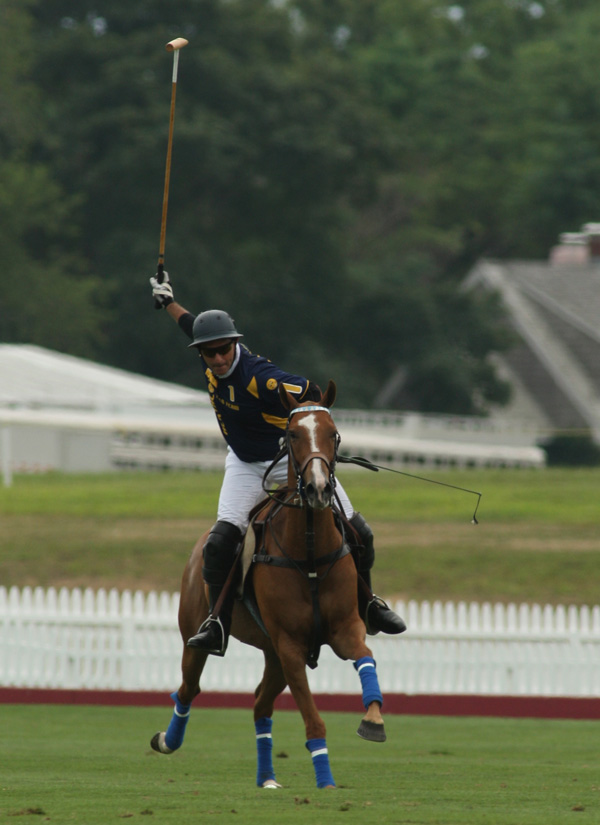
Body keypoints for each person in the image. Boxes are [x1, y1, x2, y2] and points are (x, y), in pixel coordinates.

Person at [151, 272, 405, 656]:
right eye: (209, 352)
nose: (218, 359)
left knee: (359, 531)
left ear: (235, 345)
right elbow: (191, 325)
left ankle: (368, 603)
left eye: (224, 350)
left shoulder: (261, 378)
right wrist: (168, 301)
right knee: (220, 542)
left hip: (292, 461)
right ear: (201, 351)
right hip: (243, 464)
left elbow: (312, 394)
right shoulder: (208, 354)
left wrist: (313, 443)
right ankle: (217, 623)